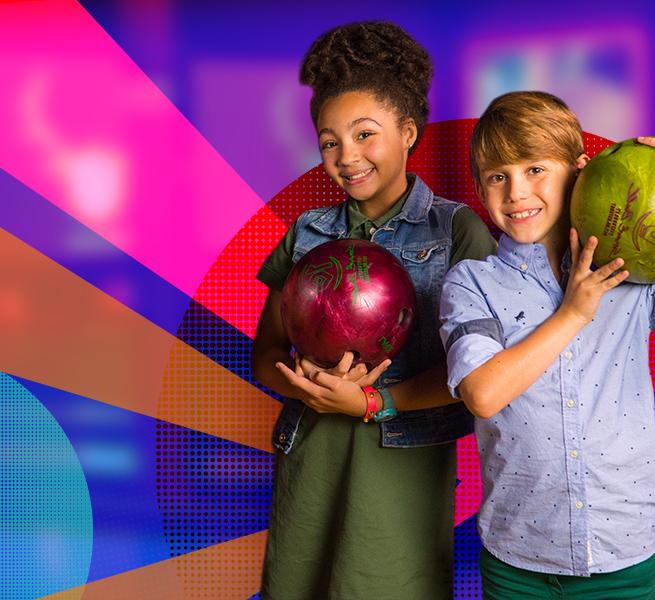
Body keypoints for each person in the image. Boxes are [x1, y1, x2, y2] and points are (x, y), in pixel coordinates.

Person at [439, 91, 655, 599]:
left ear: (580, 171)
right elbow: (482, 393)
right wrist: (572, 314)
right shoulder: (472, 282)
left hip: (620, 549)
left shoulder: (627, 276)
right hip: (517, 555)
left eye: (536, 169)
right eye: (498, 176)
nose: (517, 192)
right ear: (482, 188)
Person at [251, 21, 497, 600]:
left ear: (408, 131)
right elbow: (265, 355)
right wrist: (302, 385)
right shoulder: (307, 234)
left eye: (365, 134)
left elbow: (481, 375)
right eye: (329, 140)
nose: (346, 156)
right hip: (310, 459)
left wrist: (371, 401)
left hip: (401, 472)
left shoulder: (457, 230)